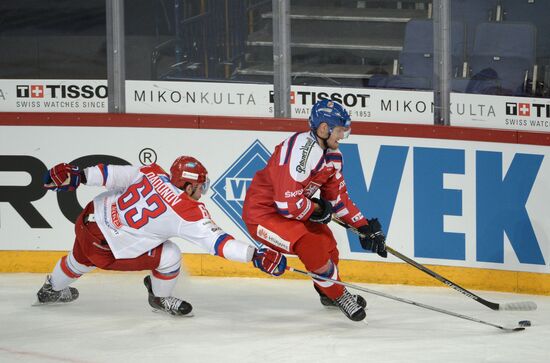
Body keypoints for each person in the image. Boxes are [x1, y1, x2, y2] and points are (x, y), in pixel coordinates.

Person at [35, 156, 287, 316]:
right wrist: (255, 255)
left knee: (78, 260)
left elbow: (112, 174)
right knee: (170, 255)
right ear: (189, 186)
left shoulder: (152, 172)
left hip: (88, 219)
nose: (201, 192)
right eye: (200, 187)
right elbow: (218, 243)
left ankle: (50, 289)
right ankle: (159, 297)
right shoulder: (188, 211)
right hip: (105, 246)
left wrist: (78, 174)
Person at [242, 99, 387, 322]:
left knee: (329, 246)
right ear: (323, 128)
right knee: (312, 246)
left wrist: (363, 226)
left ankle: (327, 293)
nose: (342, 136)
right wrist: (318, 208)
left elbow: (337, 199)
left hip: (295, 209)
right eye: (339, 131)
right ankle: (339, 295)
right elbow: (286, 205)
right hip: (264, 214)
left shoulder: (333, 156)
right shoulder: (299, 151)